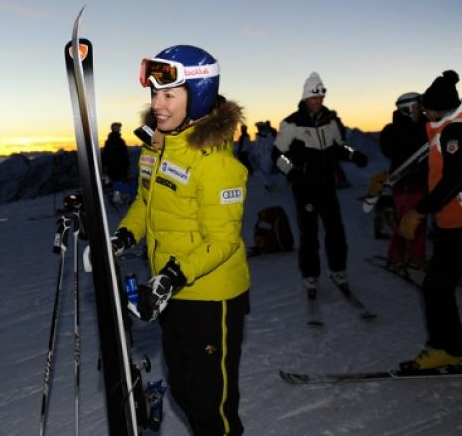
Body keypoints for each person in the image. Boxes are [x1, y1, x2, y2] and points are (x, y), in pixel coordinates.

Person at [112, 45, 250, 435]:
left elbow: (223, 240)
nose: (157, 104)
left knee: (212, 406)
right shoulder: (157, 147)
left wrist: (172, 276)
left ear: (198, 95)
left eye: (169, 95)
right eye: (155, 93)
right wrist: (124, 236)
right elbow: (145, 202)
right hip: (171, 291)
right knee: (184, 390)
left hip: (211, 298)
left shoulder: (217, 163)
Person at [398, 70, 462, 370]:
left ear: (442, 108)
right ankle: (449, 348)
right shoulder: (447, 126)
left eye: (428, 109)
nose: (425, 113)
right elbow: (436, 168)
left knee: (437, 286)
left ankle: (448, 348)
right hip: (453, 223)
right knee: (437, 286)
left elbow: (453, 180)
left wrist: (418, 211)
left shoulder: (457, 131)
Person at [272, 72, 368, 295]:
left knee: (335, 229)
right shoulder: (291, 123)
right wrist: (292, 172)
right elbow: (277, 155)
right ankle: (310, 274)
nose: (318, 101)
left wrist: (354, 155)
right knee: (309, 233)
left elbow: (340, 145)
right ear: (306, 97)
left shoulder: (329, 121)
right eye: (314, 98)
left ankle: (338, 269)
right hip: (304, 188)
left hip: (326, 185)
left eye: (321, 97)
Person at [378, 92, 429, 276]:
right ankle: (396, 259)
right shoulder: (392, 130)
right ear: (406, 109)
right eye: (417, 107)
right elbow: (389, 149)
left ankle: (417, 255)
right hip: (405, 182)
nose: (420, 110)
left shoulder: (425, 126)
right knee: (404, 221)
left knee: (420, 220)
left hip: (423, 180)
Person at [101, 121, 132, 204]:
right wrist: (126, 166)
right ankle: (117, 198)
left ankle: (118, 196)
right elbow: (124, 156)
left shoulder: (109, 142)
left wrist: (105, 167)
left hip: (113, 168)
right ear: (115, 129)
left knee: (117, 182)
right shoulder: (119, 142)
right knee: (119, 182)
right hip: (118, 168)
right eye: (118, 128)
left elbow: (105, 156)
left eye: (119, 128)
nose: (119, 129)